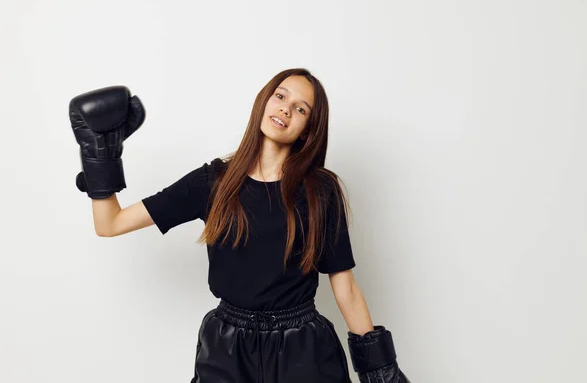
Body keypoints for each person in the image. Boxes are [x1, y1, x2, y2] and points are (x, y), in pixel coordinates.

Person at [68, 68, 411, 383]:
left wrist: (380, 371)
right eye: (280, 96)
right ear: (264, 100)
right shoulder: (212, 182)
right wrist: (100, 155)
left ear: (308, 129)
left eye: (301, 108)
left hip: (304, 351)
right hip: (227, 351)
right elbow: (110, 224)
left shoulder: (320, 190)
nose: (286, 109)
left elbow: (345, 288)